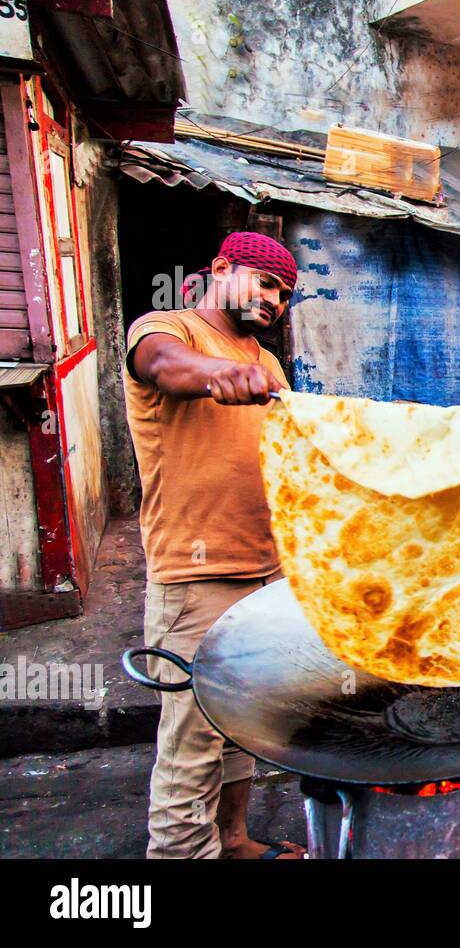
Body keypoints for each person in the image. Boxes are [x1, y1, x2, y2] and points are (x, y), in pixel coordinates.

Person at [125, 231, 301, 859]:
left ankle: (233, 840)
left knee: (241, 724)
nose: (273, 300)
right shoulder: (165, 329)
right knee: (190, 744)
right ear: (221, 269)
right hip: (196, 575)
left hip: (265, 570)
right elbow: (168, 369)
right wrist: (219, 373)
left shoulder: (266, 362)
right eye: (263, 282)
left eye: (283, 294)